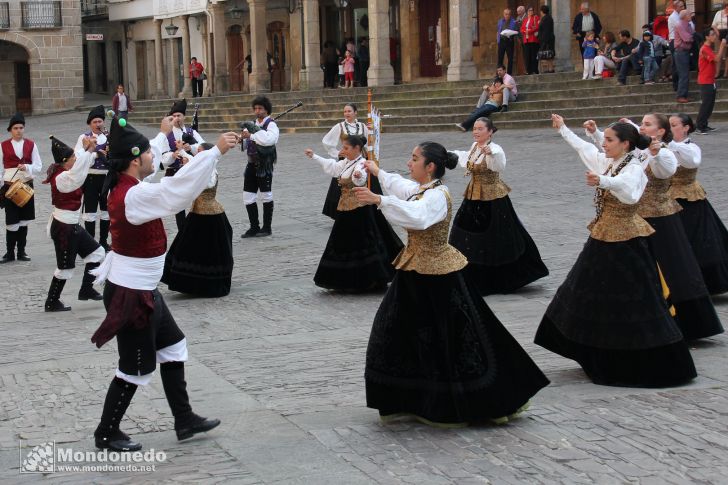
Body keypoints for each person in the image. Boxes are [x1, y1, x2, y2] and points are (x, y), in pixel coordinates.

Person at [354, 142, 549, 426]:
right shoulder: (423, 190)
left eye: (414, 159)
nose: (409, 163)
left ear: (430, 166)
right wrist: (378, 172)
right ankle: (404, 397)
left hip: (439, 275)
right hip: (414, 270)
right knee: (395, 329)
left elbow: (418, 218)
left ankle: (458, 399)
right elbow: (402, 188)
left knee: (450, 335)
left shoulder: (437, 195)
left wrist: (379, 201)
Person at [89, 116, 236, 452]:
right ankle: (106, 432)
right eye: (148, 156)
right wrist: (214, 153)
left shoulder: (126, 182)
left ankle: (184, 419)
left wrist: (163, 133)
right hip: (131, 292)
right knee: (134, 368)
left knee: (173, 348)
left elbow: (149, 153)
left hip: (143, 288)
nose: (154, 159)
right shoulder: (134, 195)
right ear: (133, 160)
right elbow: (174, 192)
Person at [535, 115, 696, 387]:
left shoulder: (635, 166)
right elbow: (585, 149)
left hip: (628, 240)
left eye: (610, 140)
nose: (604, 144)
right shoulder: (611, 161)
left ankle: (633, 358)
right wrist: (563, 129)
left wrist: (602, 181)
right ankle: (593, 349)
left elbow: (630, 193)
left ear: (626, 143)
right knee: (585, 291)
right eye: (605, 139)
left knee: (632, 299)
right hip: (603, 234)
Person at [587, 114, 723, 341]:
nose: (642, 126)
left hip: (661, 220)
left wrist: (657, 152)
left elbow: (667, 170)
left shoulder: (667, 153)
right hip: (636, 219)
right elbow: (617, 143)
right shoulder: (637, 152)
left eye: (648, 124)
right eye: (641, 123)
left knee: (672, 268)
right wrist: (595, 133)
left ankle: (683, 322)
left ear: (660, 132)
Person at [449, 117, 548, 295]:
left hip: (493, 198)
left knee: (498, 235)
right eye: (474, 128)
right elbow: (464, 158)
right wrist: (446, 154)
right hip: (473, 196)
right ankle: (466, 275)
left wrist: (490, 154)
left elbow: (499, 166)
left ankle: (501, 278)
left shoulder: (495, 149)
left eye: (480, 129)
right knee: (461, 231)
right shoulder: (474, 147)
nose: (476, 132)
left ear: (490, 131)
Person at [304, 135, 402, 292]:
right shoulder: (345, 163)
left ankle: (369, 279)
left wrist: (358, 177)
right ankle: (345, 279)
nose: (342, 151)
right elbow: (332, 167)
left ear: (357, 149)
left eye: (346, 148)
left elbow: (361, 176)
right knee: (342, 242)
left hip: (359, 210)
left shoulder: (362, 163)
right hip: (344, 208)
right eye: (342, 147)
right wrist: (314, 156)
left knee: (363, 242)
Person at [43, 136, 105, 311]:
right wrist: (89, 151)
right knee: (65, 268)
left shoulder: (67, 171)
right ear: (65, 161)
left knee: (97, 253)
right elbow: (78, 173)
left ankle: (86, 289)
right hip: (63, 227)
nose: (76, 160)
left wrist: (92, 151)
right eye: (73, 159)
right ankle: (52, 301)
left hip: (72, 225)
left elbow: (80, 165)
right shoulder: (61, 178)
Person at [668, 113, 728, 294]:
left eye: (674, 125)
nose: (671, 128)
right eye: (669, 124)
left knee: (698, 239)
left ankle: (706, 282)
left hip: (690, 199)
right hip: (668, 198)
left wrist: (670, 144)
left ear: (686, 127)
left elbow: (693, 161)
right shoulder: (664, 146)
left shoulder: (691, 148)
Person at [162, 143, 233, 297]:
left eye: (200, 152)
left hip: (209, 216)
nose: (197, 155)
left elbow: (204, 182)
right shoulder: (202, 165)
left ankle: (205, 284)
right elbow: (191, 159)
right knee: (188, 247)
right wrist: (182, 151)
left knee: (206, 249)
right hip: (197, 213)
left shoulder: (209, 171)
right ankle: (189, 283)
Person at [1, 113, 41, 263]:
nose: (18, 130)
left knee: (24, 220)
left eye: (21, 127)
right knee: (11, 221)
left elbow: (38, 166)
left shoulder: (31, 144)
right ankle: (10, 253)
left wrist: (27, 167)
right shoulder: (3, 145)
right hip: (9, 186)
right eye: (15, 128)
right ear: (10, 130)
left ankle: (21, 252)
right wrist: (1, 188)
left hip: (26, 185)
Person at [161, 98, 206, 231]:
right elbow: (163, 157)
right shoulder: (167, 135)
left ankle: (196, 228)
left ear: (184, 117)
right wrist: (172, 155)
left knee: (197, 201)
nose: (176, 118)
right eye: (174, 116)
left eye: (179, 116)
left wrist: (190, 148)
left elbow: (204, 148)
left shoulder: (191, 132)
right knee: (178, 205)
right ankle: (182, 230)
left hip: (192, 172)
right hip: (174, 172)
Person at [321, 103, 369, 219]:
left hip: (360, 160)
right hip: (345, 160)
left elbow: (369, 142)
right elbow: (326, 141)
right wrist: (337, 153)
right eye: (345, 111)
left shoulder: (363, 126)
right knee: (342, 185)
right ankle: (339, 211)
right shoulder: (340, 126)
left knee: (363, 183)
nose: (347, 113)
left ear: (355, 112)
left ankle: (364, 209)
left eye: (349, 111)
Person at [241, 96, 279, 238]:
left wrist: (251, 135)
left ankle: (267, 227)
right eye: (255, 108)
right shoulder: (251, 124)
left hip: (264, 165)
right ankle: (254, 227)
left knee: (266, 195)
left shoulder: (271, 125)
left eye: (260, 108)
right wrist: (243, 138)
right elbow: (246, 145)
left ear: (266, 109)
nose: (258, 111)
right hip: (251, 163)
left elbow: (269, 140)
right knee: (248, 196)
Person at [74, 105, 111, 250]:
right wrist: (95, 154)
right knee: (89, 212)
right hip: (90, 178)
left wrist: (109, 155)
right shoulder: (83, 138)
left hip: (106, 178)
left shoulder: (109, 137)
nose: (98, 124)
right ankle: (91, 243)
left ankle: (103, 241)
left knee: (106, 212)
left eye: (100, 121)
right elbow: (78, 158)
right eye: (95, 122)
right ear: (90, 124)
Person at [696, 31, 727, 133]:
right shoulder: (704, 49)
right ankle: (700, 126)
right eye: (712, 35)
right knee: (706, 104)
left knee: (710, 104)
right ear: (706, 37)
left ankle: (704, 124)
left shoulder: (708, 48)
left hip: (710, 79)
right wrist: (722, 46)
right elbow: (717, 59)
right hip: (705, 80)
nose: (714, 37)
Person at [674, 9, 694, 103]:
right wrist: (693, 37)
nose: (691, 15)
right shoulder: (680, 25)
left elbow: (691, 36)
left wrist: (692, 37)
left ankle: (684, 95)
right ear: (685, 16)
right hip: (681, 52)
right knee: (683, 74)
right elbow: (687, 38)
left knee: (685, 74)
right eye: (689, 14)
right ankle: (680, 96)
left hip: (685, 51)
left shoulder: (688, 25)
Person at [496, 9, 518, 75]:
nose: (507, 15)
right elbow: (498, 31)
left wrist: (512, 33)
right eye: (506, 14)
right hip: (502, 41)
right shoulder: (500, 21)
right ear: (503, 14)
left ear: (510, 15)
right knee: (500, 58)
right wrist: (498, 40)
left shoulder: (514, 21)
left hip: (509, 41)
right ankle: (498, 74)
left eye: (508, 14)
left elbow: (516, 31)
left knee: (510, 58)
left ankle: (509, 74)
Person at [521, 6, 540, 75]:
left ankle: (534, 69)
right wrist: (525, 31)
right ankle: (528, 70)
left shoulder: (536, 18)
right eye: (529, 10)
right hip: (526, 40)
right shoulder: (525, 20)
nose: (531, 11)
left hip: (533, 39)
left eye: (532, 10)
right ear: (527, 11)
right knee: (527, 55)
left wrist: (528, 31)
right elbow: (522, 28)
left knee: (533, 55)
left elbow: (537, 27)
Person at [711, 3, 728, 78]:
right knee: (718, 54)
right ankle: (717, 73)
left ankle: (725, 73)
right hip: (718, 32)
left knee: (727, 55)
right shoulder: (718, 13)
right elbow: (713, 25)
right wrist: (717, 33)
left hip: (727, 34)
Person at [537, 5, 556, 74]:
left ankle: (551, 69)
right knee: (548, 55)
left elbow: (546, 30)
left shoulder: (546, 18)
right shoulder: (546, 18)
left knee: (549, 54)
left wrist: (544, 40)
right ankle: (549, 68)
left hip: (547, 39)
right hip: (547, 38)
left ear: (542, 11)